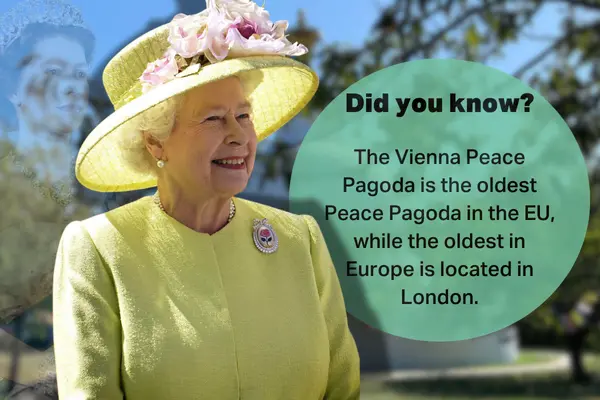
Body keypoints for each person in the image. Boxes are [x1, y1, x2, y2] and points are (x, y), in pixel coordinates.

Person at [52, 1, 361, 399]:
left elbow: (343, 391)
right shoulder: (98, 248)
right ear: (155, 140)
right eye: (213, 118)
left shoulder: (301, 239)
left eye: (244, 116)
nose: (239, 135)